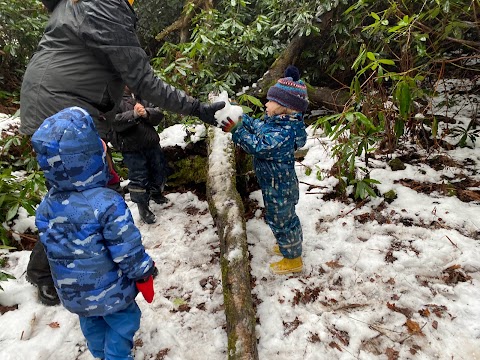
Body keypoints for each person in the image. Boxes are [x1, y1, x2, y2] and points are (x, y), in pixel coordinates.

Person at [20, 0, 225, 305]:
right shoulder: (104, 5)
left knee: (80, 194)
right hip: (64, 109)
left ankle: (75, 266)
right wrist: (197, 109)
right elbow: (144, 81)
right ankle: (49, 274)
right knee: (89, 197)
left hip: (54, 101)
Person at [32, 106, 158, 360]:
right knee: (123, 323)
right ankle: (115, 357)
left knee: (91, 324)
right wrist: (144, 274)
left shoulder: (47, 205)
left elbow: (50, 246)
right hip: (111, 291)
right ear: (91, 156)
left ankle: (100, 353)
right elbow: (127, 248)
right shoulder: (107, 203)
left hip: (73, 293)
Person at [221, 66, 308, 275]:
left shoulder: (283, 135)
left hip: (280, 188)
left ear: (284, 106)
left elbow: (256, 145)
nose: (266, 104)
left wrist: (237, 129)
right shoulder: (278, 123)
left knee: (282, 221)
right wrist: (239, 116)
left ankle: (293, 259)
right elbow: (260, 129)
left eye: (270, 101)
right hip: (276, 184)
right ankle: (289, 244)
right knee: (284, 220)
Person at [111, 86, 169, 224]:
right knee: (139, 177)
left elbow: (158, 112)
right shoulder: (113, 98)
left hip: (151, 142)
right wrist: (134, 114)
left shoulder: (142, 94)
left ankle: (156, 192)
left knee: (159, 169)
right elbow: (113, 121)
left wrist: (147, 113)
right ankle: (142, 207)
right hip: (131, 147)